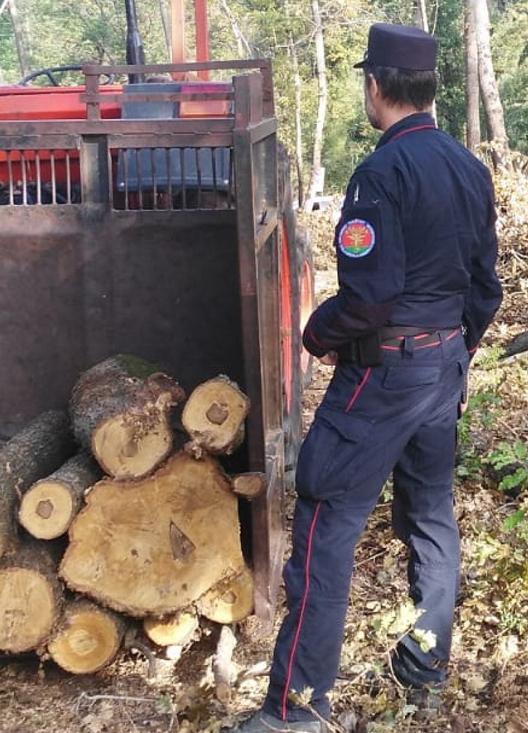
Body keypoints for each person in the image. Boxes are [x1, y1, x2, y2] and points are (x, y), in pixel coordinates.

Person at [226, 22, 503, 733]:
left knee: (324, 520)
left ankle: (296, 706)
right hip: (441, 368)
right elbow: (485, 288)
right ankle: (425, 664)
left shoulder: (380, 175)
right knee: (431, 515)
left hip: (382, 377)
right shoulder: (469, 168)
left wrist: (317, 333)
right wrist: (456, 354)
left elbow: (369, 299)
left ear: (375, 86)